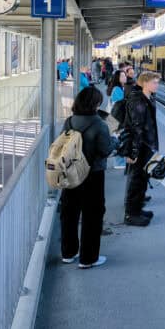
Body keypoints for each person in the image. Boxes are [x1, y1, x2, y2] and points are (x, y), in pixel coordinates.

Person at [59, 87, 116, 269]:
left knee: (69, 212)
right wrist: (115, 141)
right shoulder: (100, 124)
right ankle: (88, 258)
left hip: (70, 172)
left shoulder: (69, 121)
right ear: (95, 104)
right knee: (92, 214)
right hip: (93, 174)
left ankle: (68, 253)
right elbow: (105, 150)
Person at [122, 72, 161, 226]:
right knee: (136, 181)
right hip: (140, 148)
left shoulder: (147, 98)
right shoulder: (138, 101)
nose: (157, 85)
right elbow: (137, 129)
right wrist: (134, 152)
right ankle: (131, 214)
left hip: (147, 147)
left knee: (143, 179)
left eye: (157, 82)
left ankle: (137, 209)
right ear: (144, 83)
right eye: (154, 82)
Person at [107, 70, 128, 169]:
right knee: (119, 139)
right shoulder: (117, 89)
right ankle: (119, 163)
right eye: (122, 76)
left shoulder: (120, 88)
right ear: (117, 78)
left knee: (120, 139)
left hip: (116, 118)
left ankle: (120, 161)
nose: (125, 77)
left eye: (125, 76)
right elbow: (120, 106)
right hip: (117, 119)